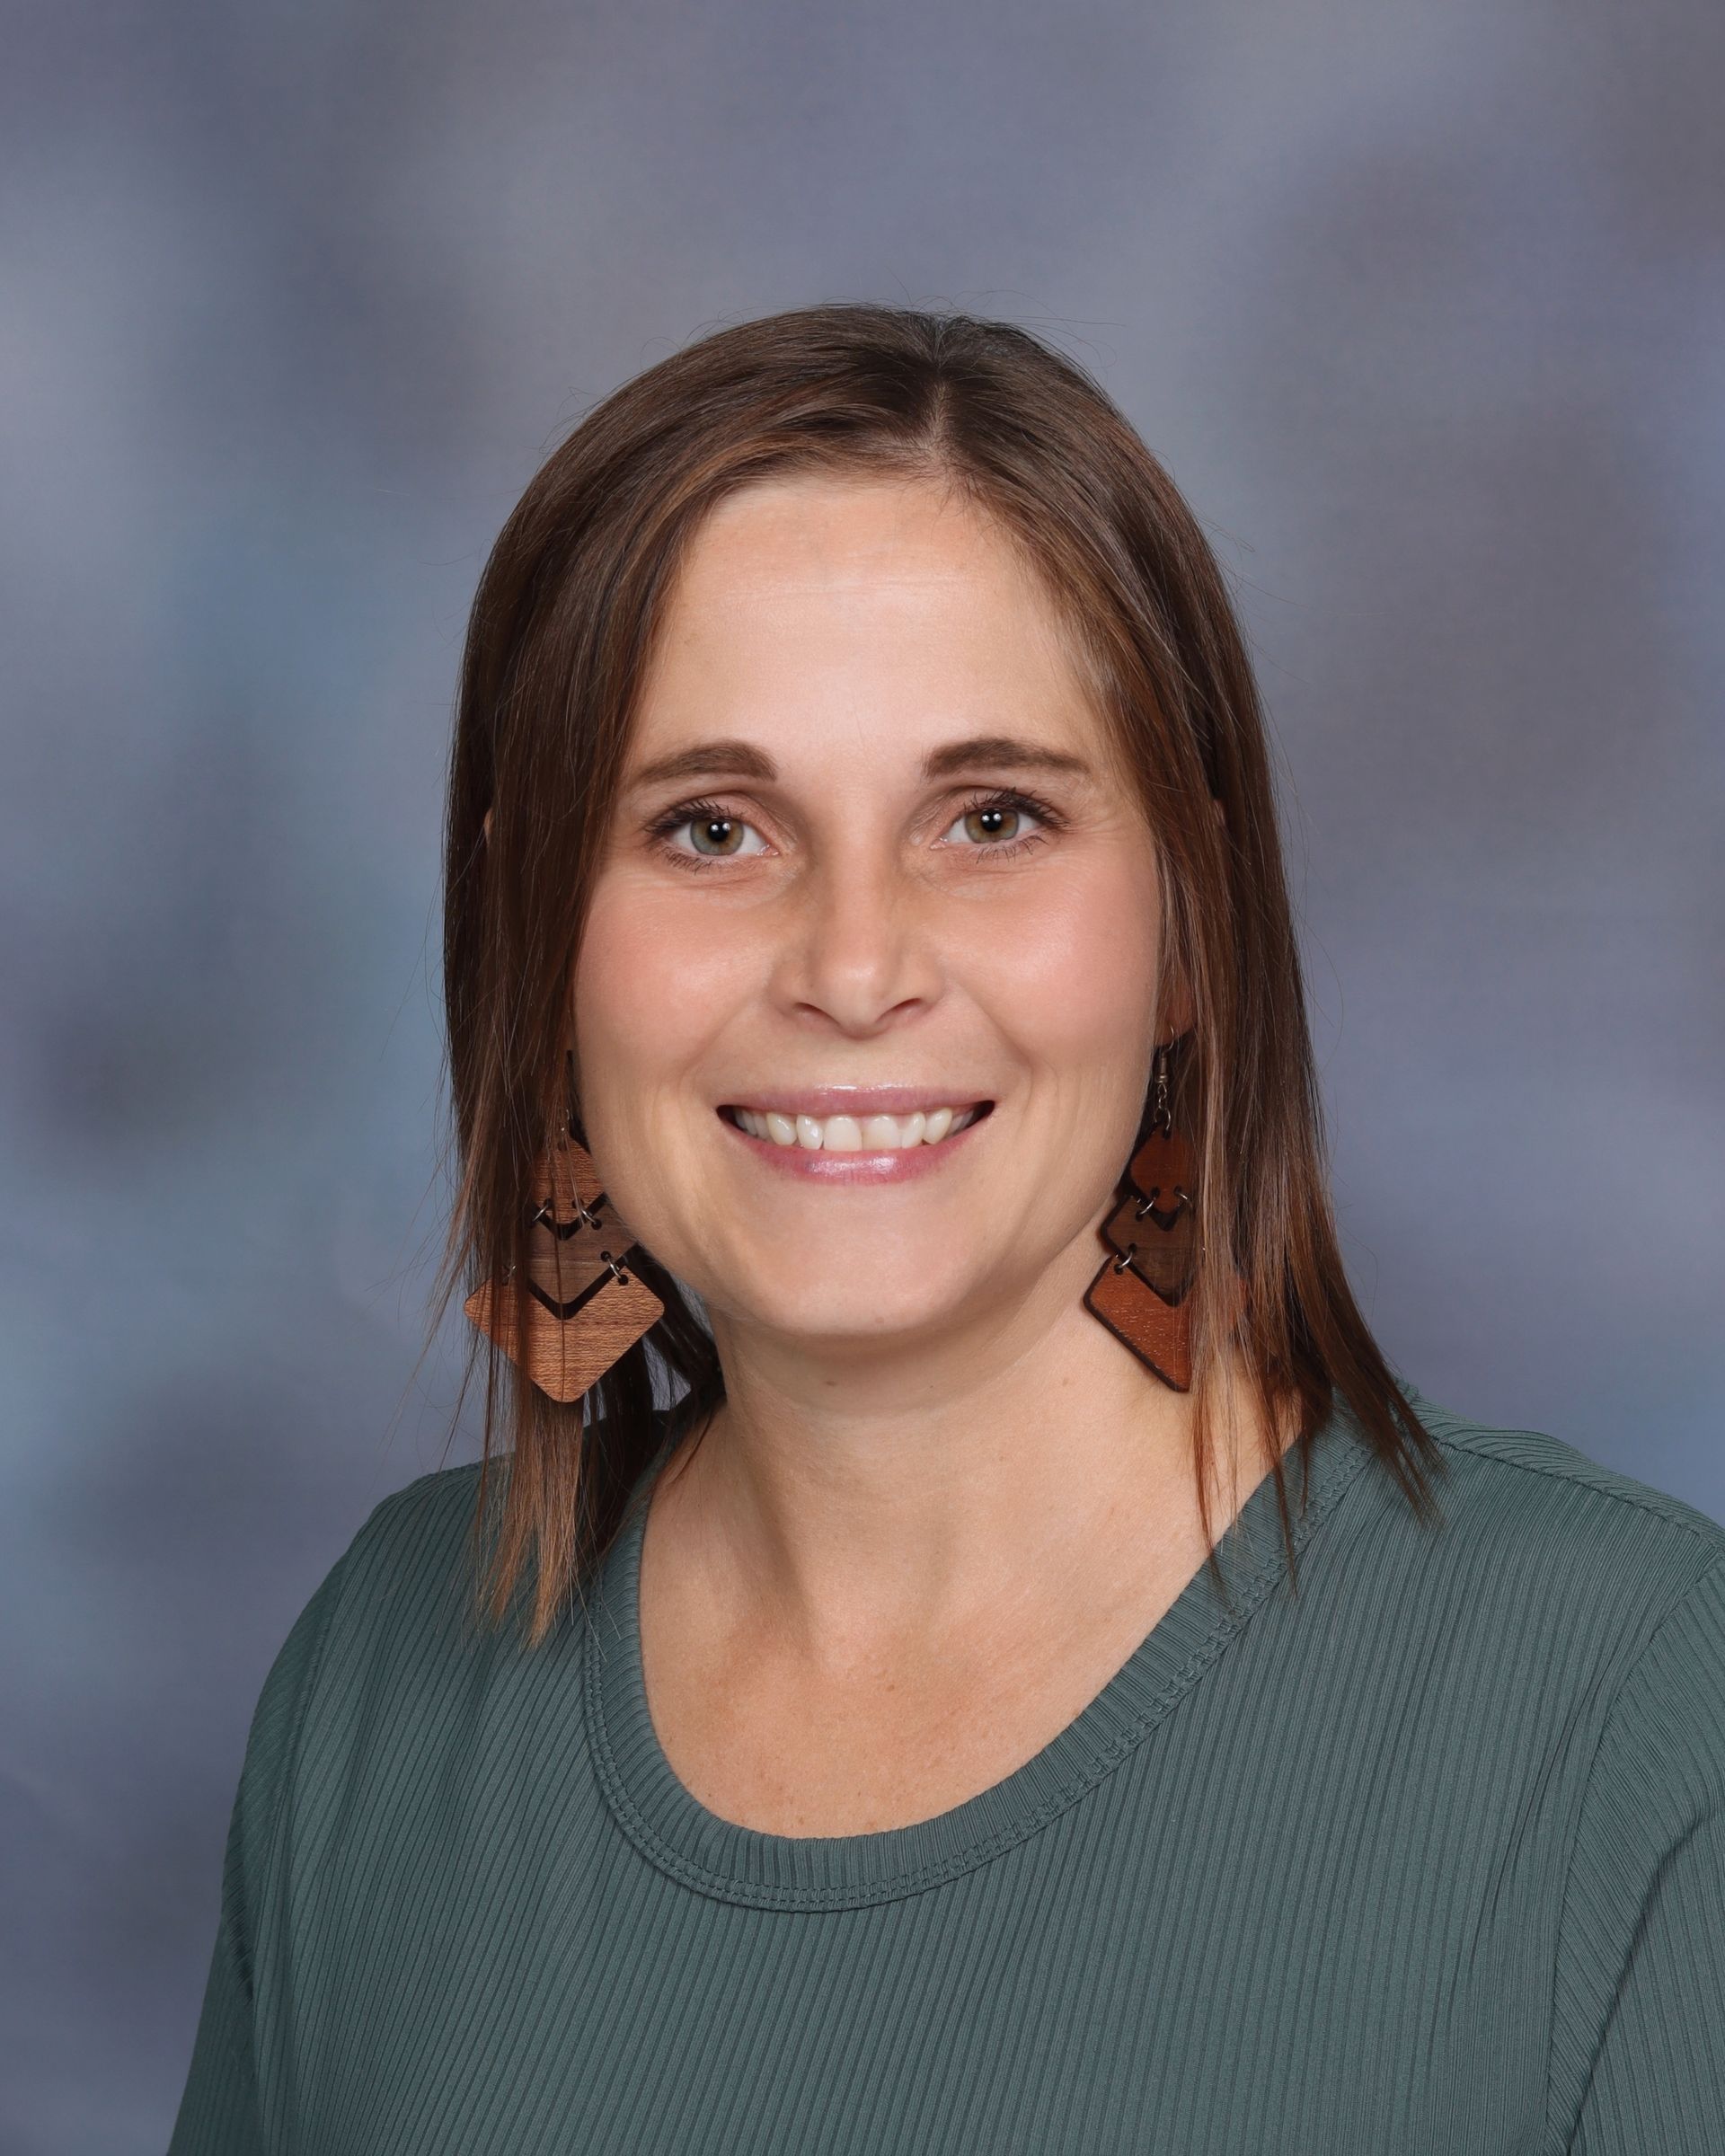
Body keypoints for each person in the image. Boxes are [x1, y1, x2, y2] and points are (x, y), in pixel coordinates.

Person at [168, 304, 1725, 2153]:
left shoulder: (1637, 1714)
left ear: (1190, 925)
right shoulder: (384, 1679)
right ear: (538, 939)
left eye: (989, 818)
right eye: (711, 831)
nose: (851, 967)